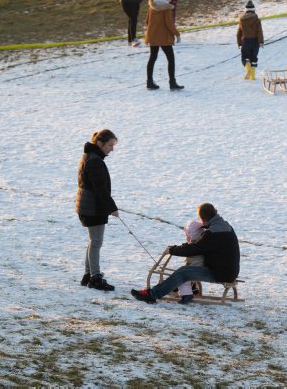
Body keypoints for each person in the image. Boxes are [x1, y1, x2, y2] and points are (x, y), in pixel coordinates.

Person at [131, 203, 240, 304]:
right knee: (184, 271)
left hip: (220, 273)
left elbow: (194, 248)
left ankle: (152, 294)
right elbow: (201, 245)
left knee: (183, 272)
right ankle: (172, 288)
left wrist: (172, 250)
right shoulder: (226, 226)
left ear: (203, 219)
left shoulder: (213, 233)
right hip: (229, 271)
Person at [74, 129, 120, 291]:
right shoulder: (94, 161)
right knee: (96, 242)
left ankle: (89, 275)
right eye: (110, 145)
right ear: (100, 143)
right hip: (93, 207)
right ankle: (95, 277)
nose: (112, 149)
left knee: (93, 241)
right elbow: (99, 189)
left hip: (88, 205)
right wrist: (112, 208)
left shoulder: (90, 157)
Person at [144, 0, 183, 90]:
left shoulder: (152, 6)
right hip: (164, 37)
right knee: (171, 59)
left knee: (152, 58)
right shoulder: (166, 8)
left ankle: (149, 82)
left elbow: (147, 21)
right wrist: (177, 34)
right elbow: (169, 24)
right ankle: (172, 83)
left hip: (152, 36)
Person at [175, 216, 205, 304]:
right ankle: (194, 288)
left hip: (195, 267)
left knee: (183, 278)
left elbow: (187, 250)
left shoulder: (193, 246)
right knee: (186, 275)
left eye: (188, 235)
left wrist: (178, 249)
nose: (187, 237)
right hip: (199, 266)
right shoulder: (201, 242)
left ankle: (187, 295)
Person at [236, 0, 264, 80]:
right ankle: (253, 76)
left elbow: (239, 32)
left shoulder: (242, 20)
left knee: (245, 57)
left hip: (245, 41)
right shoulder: (257, 20)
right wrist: (261, 42)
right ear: (254, 10)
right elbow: (259, 31)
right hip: (255, 41)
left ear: (246, 10)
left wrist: (239, 43)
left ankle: (248, 70)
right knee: (254, 58)